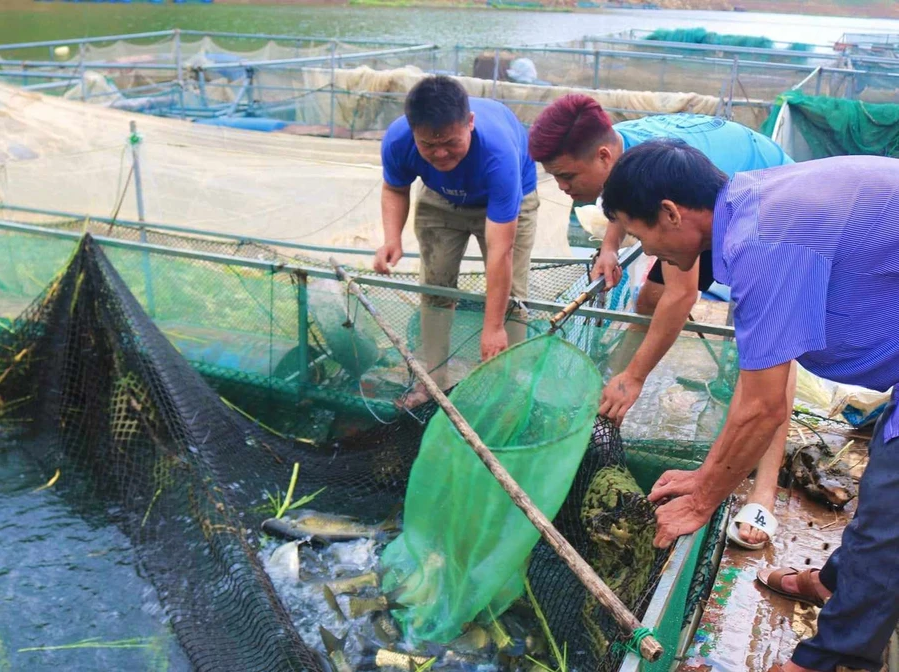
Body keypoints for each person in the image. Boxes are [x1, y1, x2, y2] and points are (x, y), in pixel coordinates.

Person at [600, 140, 899, 672]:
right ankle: (836, 586)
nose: (649, 251)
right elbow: (759, 381)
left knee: (892, 510)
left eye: (640, 233)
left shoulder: (762, 240)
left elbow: (764, 408)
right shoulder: (750, 206)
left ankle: (833, 659)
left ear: (670, 213)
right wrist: (707, 477)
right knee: (884, 485)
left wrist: (702, 501)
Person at [527, 94, 795, 550]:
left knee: (769, 347)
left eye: (567, 176)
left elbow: (682, 293)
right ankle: (621, 384)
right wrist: (611, 246)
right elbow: (625, 205)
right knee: (647, 294)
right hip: (708, 204)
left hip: (760, 193)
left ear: (605, 156)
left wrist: (636, 376)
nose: (563, 188)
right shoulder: (628, 157)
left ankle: (764, 489)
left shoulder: (712, 215)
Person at [374, 76, 539, 408]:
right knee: (435, 290)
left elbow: (500, 250)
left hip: (505, 200)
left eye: (450, 142)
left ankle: (508, 391)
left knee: (511, 301)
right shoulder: (398, 140)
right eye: (428, 145)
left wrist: (492, 327)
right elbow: (395, 188)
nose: (440, 153)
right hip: (440, 198)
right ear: (412, 132)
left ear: (471, 124)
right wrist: (391, 238)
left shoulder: (498, 152)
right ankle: (431, 383)